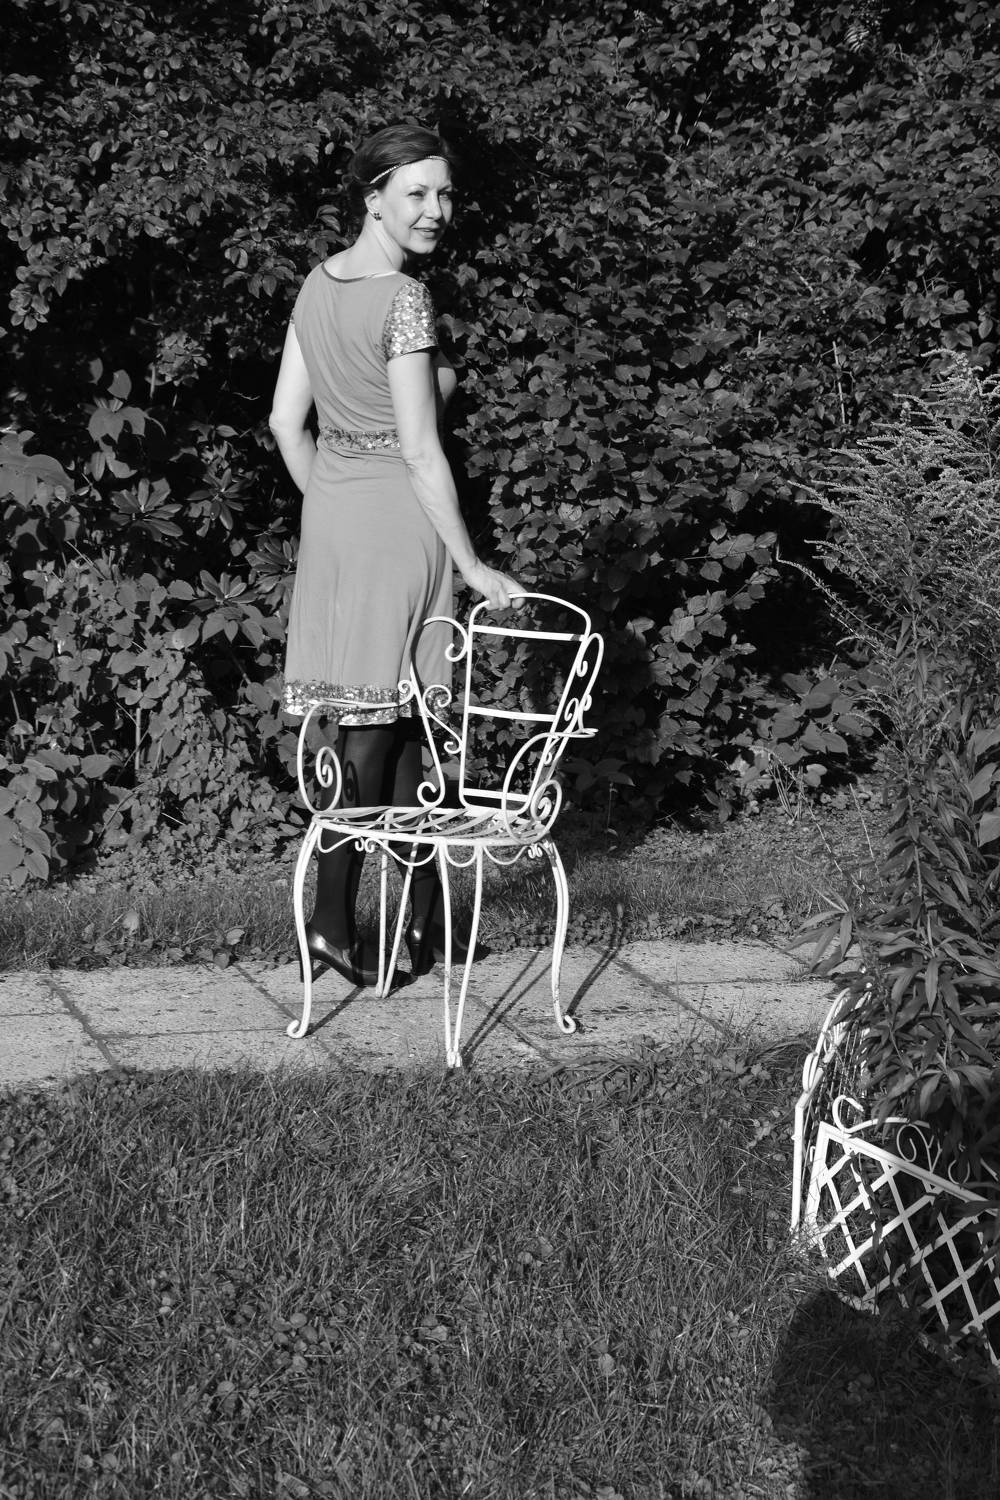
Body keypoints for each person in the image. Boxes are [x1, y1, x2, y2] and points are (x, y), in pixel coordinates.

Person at [269, 122, 525, 987]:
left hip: (338, 518)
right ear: (371, 198)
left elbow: (285, 423)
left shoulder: (316, 285)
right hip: (398, 524)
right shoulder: (404, 299)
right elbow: (421, 450)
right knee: (382, 723)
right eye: (416, 193)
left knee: (397, 719)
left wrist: (335, 508)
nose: (435, 210)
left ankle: (424, 921)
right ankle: (332, 921)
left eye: (444, 193)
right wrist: (474, 566)